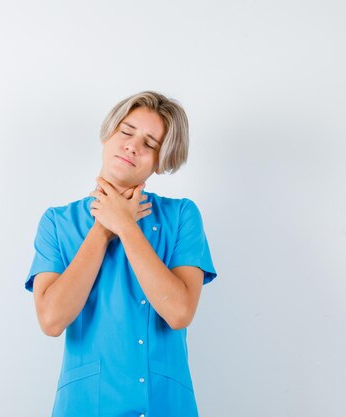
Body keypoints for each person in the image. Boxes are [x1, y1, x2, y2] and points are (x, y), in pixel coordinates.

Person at [25, 91, 218, 417]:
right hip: (86, 406)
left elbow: (180, 312)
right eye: (126, 132)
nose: (133, 146)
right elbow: (52, 320)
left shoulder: (182, 216)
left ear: (161, 162)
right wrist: (104, 228)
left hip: (164, 405)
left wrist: (126, 226)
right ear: (108, 135)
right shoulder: (57, 223)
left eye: (150, 144)